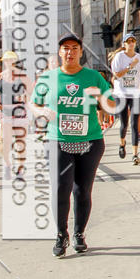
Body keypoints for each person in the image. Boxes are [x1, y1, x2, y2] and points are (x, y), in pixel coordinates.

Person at [29, 34, 115, 258]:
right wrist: (41, 112)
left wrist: (100, 97)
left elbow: (112, 105)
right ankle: (61, 234)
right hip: (58, 140)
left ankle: (79, 233)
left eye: (74, 48)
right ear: (60, 52)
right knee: (61, 188)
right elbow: (33, 103)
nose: (70, 52)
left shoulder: (94, 77)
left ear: (80, 52)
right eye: (65, 48)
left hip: (91, 141)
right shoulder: (48, 78)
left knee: (82, 190)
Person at [0, 51, 29, 179]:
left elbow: (32, 92)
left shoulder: (22, 77)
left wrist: (26, 101)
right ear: (4, 62)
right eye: (7, 60)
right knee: (4, 142)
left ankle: (20, 169)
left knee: (20, 142)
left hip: (19, 113)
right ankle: (7, 164)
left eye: (12, 60)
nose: (9, 63)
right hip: (5, 112)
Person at [111, 32, 140, 164]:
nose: (131, 43)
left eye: (133, 41)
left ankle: (135, 154)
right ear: (124, 44)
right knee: (124, 123)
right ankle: (122, 143)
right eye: (128, 41)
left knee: (135, 124)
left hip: (136, 93)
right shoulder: (119, 57)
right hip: (122, 93)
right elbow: (117, 75)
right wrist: (130, 66)